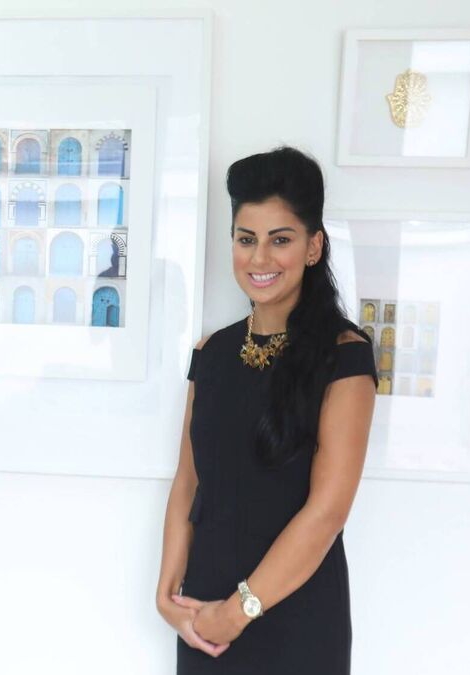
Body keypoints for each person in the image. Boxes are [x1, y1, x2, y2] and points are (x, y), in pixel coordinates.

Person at [155, 147, 376, 674]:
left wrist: (237, 613)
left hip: (294, 622)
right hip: (204, 618)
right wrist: (167, 594)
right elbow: (189, 481)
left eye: (280, 240)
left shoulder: (345, 357)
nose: (259, 259)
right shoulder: (211, 353)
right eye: (246, 239)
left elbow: (326, 514)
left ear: (313, 246)